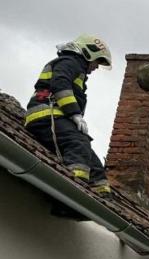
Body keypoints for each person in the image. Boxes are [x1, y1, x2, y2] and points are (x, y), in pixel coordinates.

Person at [25, 34, 113, 196]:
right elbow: (60, 85)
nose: (96, 67)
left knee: (90, 157)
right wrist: (75, 114)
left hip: (58, 117)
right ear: (88, 54)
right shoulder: (69, 63)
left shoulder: (75, 68)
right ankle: (72, 190)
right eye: (96, 61)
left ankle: (102, 196)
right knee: (78, 144)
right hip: (46, 114)